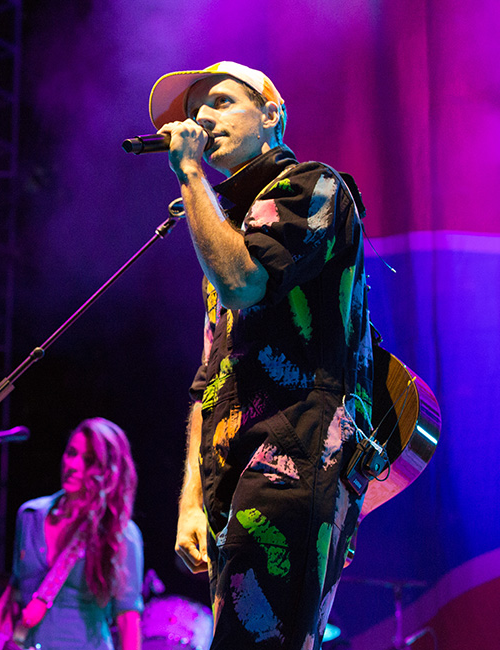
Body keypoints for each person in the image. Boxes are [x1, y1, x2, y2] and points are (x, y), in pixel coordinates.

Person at [151, 61, 374, 648]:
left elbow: (243, 283)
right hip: (231, 480)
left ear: (271, 114)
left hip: (292, 460)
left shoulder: (313, 186)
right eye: (194, 112)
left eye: (220, 102)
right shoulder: (223, 228)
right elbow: (211, 380)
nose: (200, 118)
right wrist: (191, 502)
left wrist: (190, 174)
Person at [0, 417, 144, 650]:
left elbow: (127, 619)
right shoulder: (30, 515)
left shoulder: (120, 533)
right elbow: (17, 588)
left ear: (107, 471)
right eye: (71, 453)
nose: (74, 465)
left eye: (88, 460)